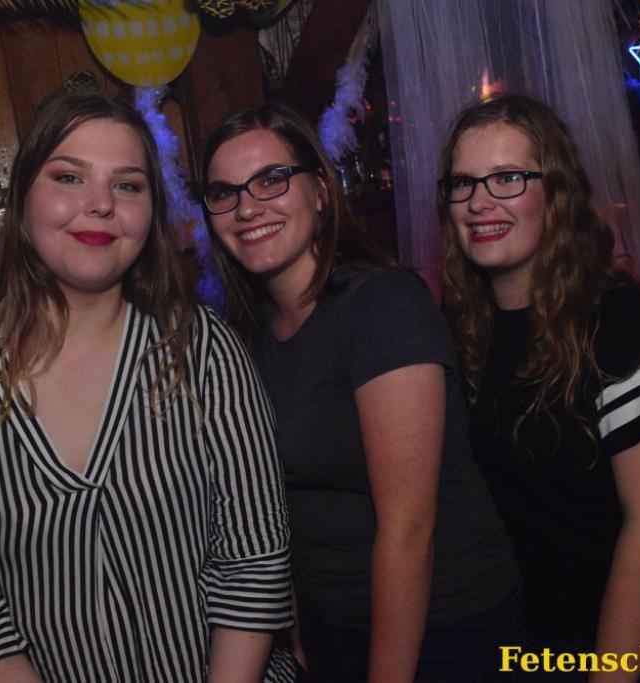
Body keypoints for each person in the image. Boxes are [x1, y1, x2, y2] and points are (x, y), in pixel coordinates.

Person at [0, 91, 294, 683]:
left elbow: (253, 560)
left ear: (151, 213)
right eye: (69, 177)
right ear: (22, 199)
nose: (101, 204)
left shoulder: (202, 347)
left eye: (127, 185)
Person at [201, 102, 519, 682]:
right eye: (225, 193)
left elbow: (408, 527)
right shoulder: (246, 332)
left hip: (446, 631)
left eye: (272, 180)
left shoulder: (382, 307)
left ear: (322, 193)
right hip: (334, 630)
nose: (247, 207)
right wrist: (298, 629)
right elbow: (276, 506)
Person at [437, 93, 640, 663]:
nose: (479, 202)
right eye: (463, 183)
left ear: (556, 192)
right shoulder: (463, 330)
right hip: (528, 641)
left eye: (507, 178)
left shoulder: (621, 319)